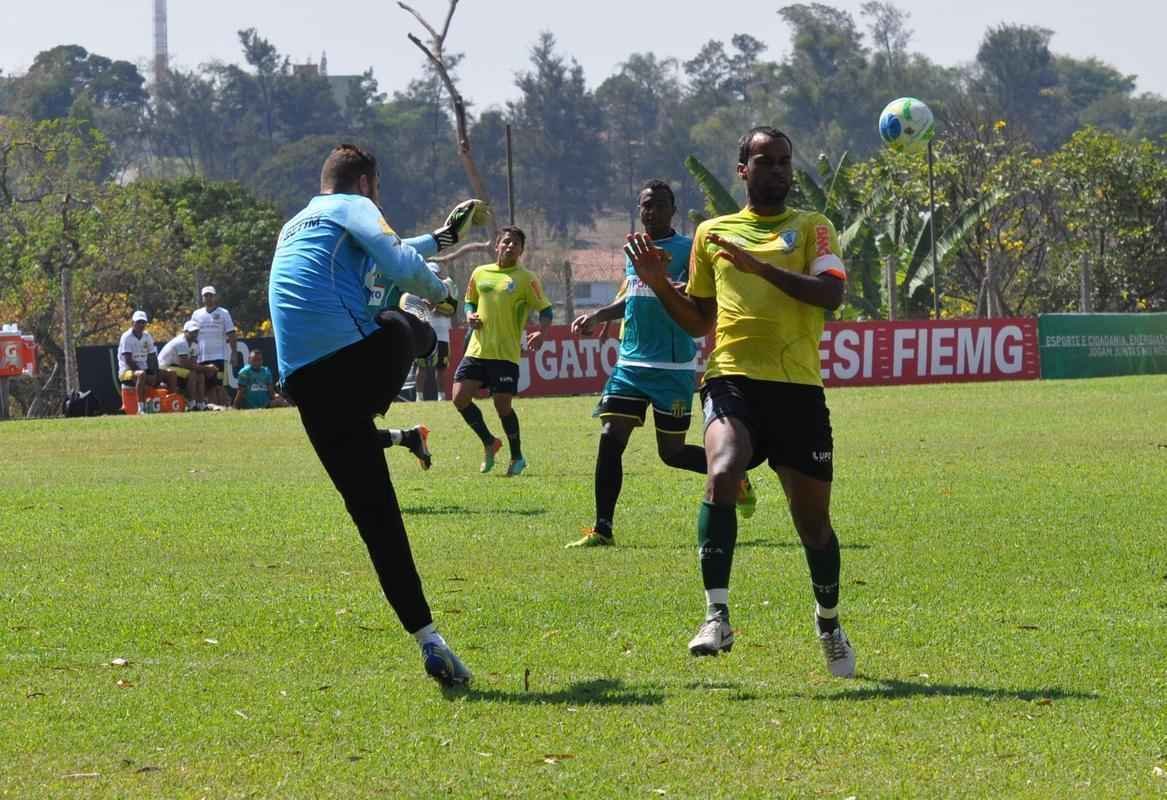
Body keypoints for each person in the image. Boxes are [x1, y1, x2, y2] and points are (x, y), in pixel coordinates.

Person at [625, 126, 855, 677]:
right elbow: (701, 319)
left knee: (813, 526)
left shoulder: (811, 228)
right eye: (764, 160)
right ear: (742, 170)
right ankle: (716, 615)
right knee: (722, 471)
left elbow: (832, 295)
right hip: (732, 379)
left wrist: (761, 268)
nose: (777, 169)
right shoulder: (712, 233)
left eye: (784, 160)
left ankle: (828, 621)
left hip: (798, 390)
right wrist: (660, 285)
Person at [269, 142, 486, 688]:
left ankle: (429, 640)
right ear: (366, 183)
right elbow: (395, 260)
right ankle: (414, 325)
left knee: (376, 521)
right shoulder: (356, 206)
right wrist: (441, 295)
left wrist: (439, 241)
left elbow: (382, 250)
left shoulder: (297, 224)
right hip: (353, 365)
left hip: (303, 384)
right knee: (396, 318)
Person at [565, 180, 757, 548]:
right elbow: (633, 297)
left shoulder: (688, 249)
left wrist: (684, 289)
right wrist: (598, 315)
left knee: (671, 454)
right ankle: (603, 528)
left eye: (657, 204)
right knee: (609, 439)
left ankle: (737, 476)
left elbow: (708, 294)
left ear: (673, 209)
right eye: (644, 205)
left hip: (673, 368)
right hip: (630, 364)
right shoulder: (634, 249)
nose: (650, 212)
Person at [452, 226, 552, 477]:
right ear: (497, 244)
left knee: (502, 405)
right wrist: (469, 315)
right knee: (459, 398)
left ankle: (517, 456)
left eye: (516, 244)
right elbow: (469, 300)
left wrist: (542, 331)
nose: (510, 246)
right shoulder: (480, 273)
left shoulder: (526, 278)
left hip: (505, 353)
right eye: (506, 242)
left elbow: (546, 309)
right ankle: (489, 442)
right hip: (477, 348)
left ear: (521, 250)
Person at [118, 311, 175, 413]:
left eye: (143, 322)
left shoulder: (147, 336)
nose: (141, 325)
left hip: (144, 369)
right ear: (133, 323)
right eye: (138, 322)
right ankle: (141, 407)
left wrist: (155, 374)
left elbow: (152, 357)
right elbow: (128, 360)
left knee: (170, 374)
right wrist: (147, 375)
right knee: (141, 375)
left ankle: (171, 404)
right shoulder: (126, 337)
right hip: (126, 371)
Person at [415, 265, 457, 401]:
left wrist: (437, 304)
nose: (433, 277)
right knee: (422, 367)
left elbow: (452, 310)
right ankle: (418, 397)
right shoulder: (418, 289)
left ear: (439, 274)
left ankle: (441, 397)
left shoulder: (446, 290)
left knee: (441, 368)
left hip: (443, 335)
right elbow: (418, 308)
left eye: (435, 274)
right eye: (430, 273)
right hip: (425, 334)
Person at [190, 286, 237, 407]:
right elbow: (191, 335)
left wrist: (234, 353)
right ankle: (215, 406)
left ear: (215, 297)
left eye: (210, 295)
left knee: (218, 384)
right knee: (205, 385)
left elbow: (231, 333)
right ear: (202, 298)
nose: (208, 298)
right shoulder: (196, 314)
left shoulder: (223, 313)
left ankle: (222, 405)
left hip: (219, 355)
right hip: (201, 356)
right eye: (206, 295)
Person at [157, 320, 209, 410]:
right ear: (185, 332)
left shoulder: (195, 344)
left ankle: (200, 404)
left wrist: (203, 369)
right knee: (192, 374)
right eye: (192, 332)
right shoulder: (181, 342)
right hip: (164, 367)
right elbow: (185, 364)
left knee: (200, 375)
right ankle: (191, 403)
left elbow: (192, 363)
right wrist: (207, 368)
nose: (195, 334)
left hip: (176, 366)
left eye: (196, 332)